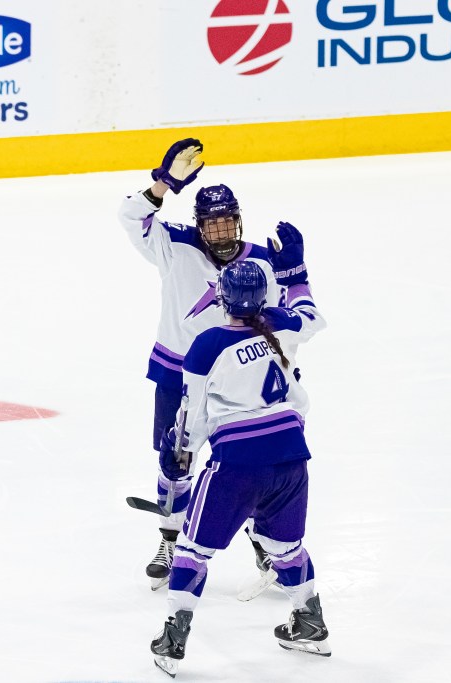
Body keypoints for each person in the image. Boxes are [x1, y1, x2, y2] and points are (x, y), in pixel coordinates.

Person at [149, 223, 330, 677]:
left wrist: (179, 450)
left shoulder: (207, 344)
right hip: (292, 458)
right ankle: (310, 621)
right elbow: (312, 315)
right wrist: (296, 273)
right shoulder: (282, 325)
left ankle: (173, 638)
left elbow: (193, 417)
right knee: (286, 546)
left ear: (222, 299)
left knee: (193, 549)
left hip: (237, 465)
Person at [118, 139, 284, 589]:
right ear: (199, 225)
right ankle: (170, 539)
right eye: (211, 225)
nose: (219, 232)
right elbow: (130, 216)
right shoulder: (172, 243)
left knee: (248, 462)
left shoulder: (263, 262)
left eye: (227, 222)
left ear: (238, 221)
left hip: (237, 379)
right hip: (176, 371)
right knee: (176, 457)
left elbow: (277, 327)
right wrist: (164, 183)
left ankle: (263, 540)